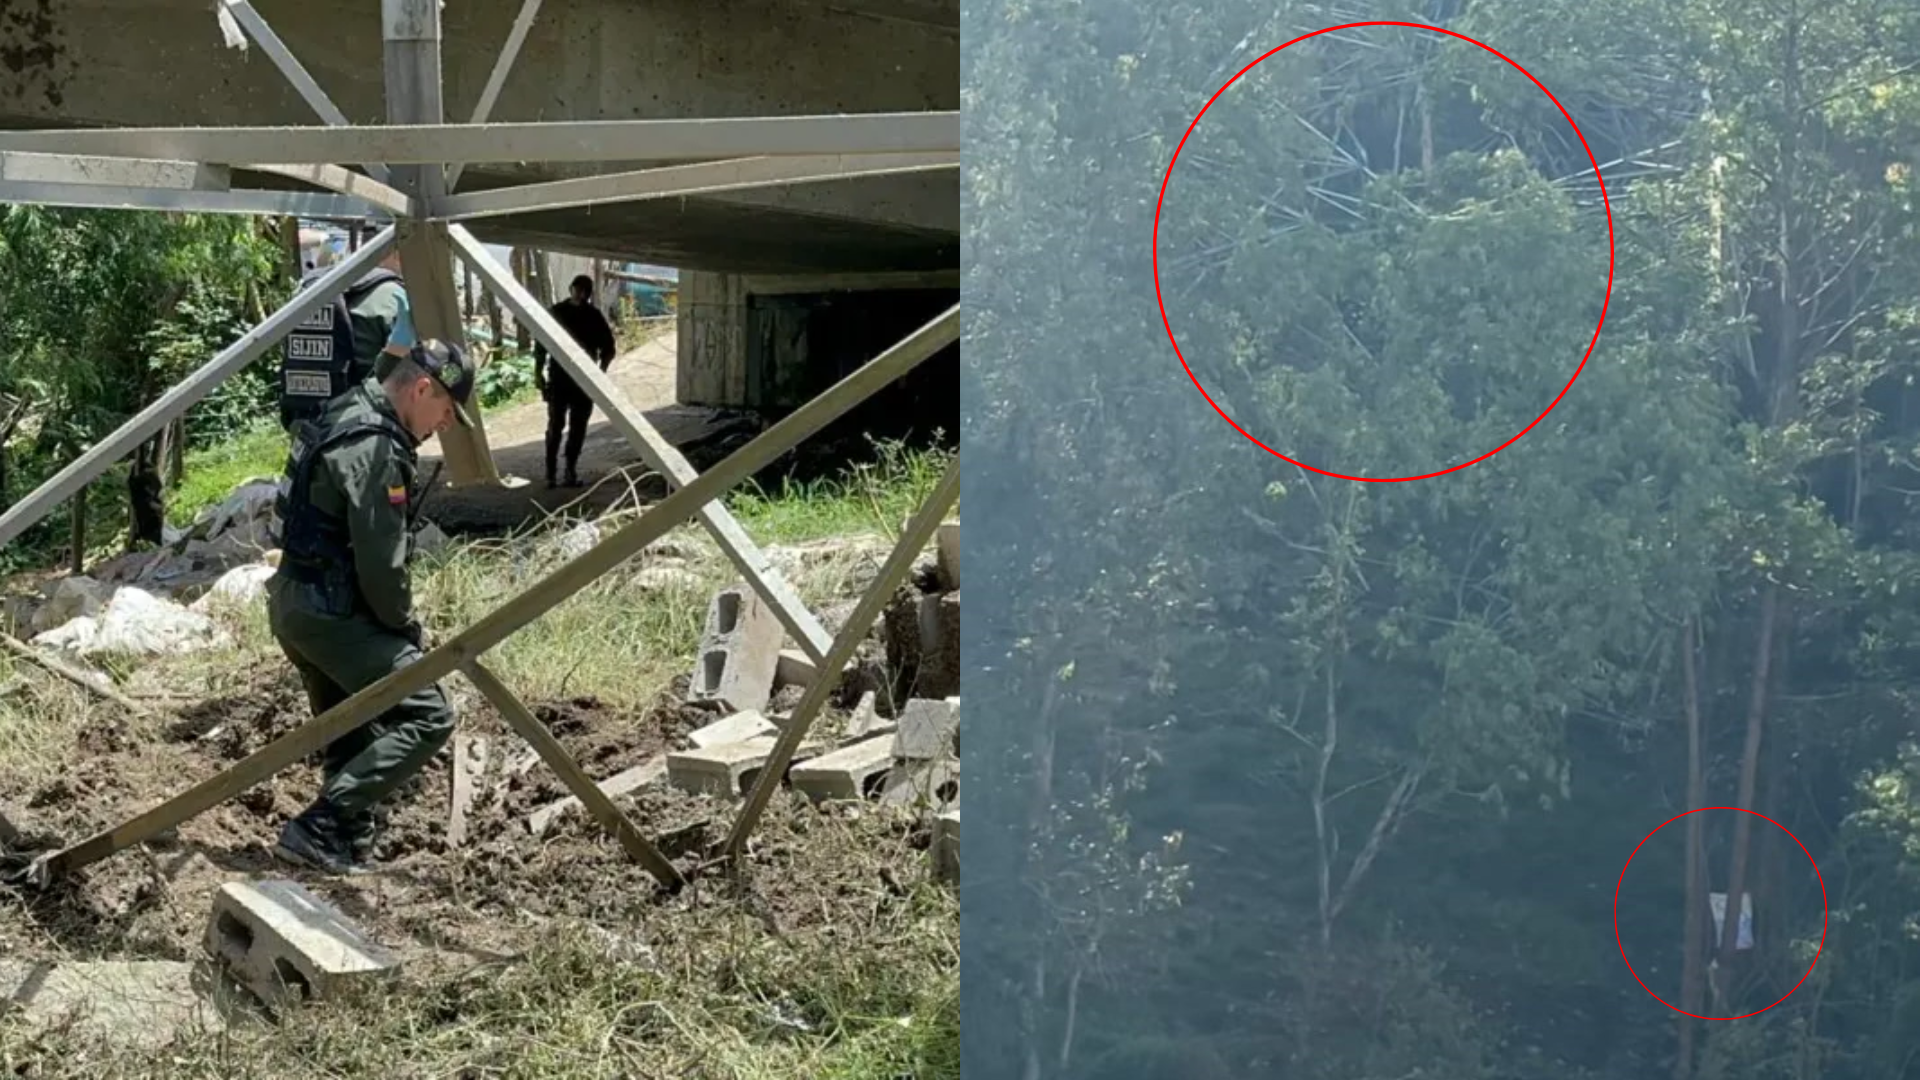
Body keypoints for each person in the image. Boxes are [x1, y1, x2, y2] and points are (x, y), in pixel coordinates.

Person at [266, 338, 475, 875]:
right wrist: (404, 628)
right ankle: (320, 823)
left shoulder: (350, 407)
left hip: (294, 602)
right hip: (329, 611)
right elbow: (382, 566)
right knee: (429, 713)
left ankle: (341, 839)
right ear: (422, 388)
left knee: (346, 723)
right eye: (447, 411)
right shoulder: (378, 450)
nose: (445, 425)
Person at [279, 244, 411, 430]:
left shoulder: (307, 288)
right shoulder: (394, 296)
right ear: (395, 255)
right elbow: (409, 376)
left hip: (303, 425)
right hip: (362, 428)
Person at [533, 274, 617, 489]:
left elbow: (608, 348)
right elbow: (541, 344)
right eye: (578, 289)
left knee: (578, 427)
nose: (581, 294)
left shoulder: (594, 316)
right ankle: (550, 473)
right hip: (559, 379)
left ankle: (570, 471)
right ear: (571, 289)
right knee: (555, 426)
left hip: (584, 381)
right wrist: (538, 373)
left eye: (585, 291)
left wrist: (600, 374)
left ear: (589, 294)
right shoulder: (557, 312)